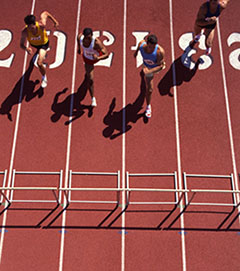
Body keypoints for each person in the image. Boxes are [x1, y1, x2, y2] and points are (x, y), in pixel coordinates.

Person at [20, 11, 59, 88]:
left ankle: (44, 78)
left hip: (44, 44)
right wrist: (26, 48)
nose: (30, 30)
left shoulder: (41, 25)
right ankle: (38, 52)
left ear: (35, 24)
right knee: (36, 57)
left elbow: (45, 13)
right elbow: (21, 44)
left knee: (39, 63)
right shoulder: (25, 32)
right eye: (29, 27)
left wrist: (54, 21)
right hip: (34, 45)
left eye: (32, 28)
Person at [134, 34, 166, 118]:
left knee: (147, 79)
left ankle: (148, 107)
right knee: (150, 89)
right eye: (150, 47)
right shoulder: (141, 45)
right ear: (146, 43)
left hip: (154, 67)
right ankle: (148, 106)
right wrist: (136, 52)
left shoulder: (159, 52)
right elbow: (139, 46)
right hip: (146, 66)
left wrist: (149, 71)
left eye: (153, 47)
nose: (151, 49)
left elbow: (160, 66)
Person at [77, 28, 109, 107]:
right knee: (90, 79)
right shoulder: (80, 38)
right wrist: (79, 48)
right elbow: (78, 40)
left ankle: (87, 74)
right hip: (87, 60)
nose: (89, 39)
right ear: (84, 36)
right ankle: (92, 98)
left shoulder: (96, 43)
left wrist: (98, 58)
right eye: (87, 37)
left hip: (96, 58)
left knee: (88, 76)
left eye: (90, 37)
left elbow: (107, 54)